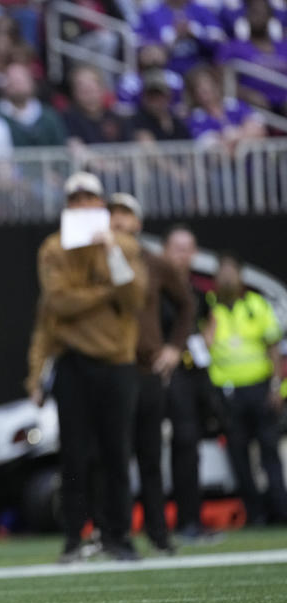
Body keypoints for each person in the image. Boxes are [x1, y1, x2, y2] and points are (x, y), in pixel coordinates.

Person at [38, 172, 147, 563]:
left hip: (117, 362)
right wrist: (106, 293)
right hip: (73, 362)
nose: (83, 206)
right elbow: (59, 303)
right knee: (74, 455)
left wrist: (113, 254)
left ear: (100, 205)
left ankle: (120, 536)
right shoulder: (54, 248)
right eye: (76, 199)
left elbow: (135, 300)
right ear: (68, 206)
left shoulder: (124, 246)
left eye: (90, 199)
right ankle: (73, 538)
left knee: (117, 453)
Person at [108, 194, 194, 554]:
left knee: (149, 455)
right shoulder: (92, 261)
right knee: (113, 456)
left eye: (126, 214)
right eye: (112, 214)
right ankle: (117, 535)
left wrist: (174, 347)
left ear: (138, 223)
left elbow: (188, 303)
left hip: (145, 369)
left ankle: (158, 533)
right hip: (111, 368)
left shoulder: (156, 263)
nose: (119, 220)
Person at [206, 253, 287, 525]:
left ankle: (281, 510)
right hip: (228, 394)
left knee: (269, 452)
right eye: (223, 272)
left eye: (232, 272)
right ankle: (254, 515)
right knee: (238, 456)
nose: (227, 278)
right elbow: (200, 348)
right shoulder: (208, 307)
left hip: (259, 388)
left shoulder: (256, 304)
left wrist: (276, 387)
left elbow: (273, 348)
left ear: (241, 276)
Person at [162, 226, 222, 543]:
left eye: (188, 248)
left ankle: (191, 520)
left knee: (191, 445)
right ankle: (177, 521)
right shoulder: (156, 288)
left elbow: (211, 318)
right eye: (177, 248)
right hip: (170, 375)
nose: (183, 255)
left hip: (195, 373)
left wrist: (205, 343)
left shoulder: (197, 289)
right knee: (182, 441)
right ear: (165, 251)